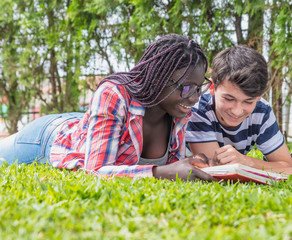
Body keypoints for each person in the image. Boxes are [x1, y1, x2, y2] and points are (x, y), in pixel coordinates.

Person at [0, 34, 217, 181]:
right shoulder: (114, 94)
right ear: (158, 79)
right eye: (187, 88)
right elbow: (95, 170)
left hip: (89, 122)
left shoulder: (178, 108)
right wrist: (162, 172)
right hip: (48, 137)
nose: (194, 97)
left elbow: (176, 167)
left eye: (199, 88)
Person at [186, 45, 292, 173]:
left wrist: (248, 162)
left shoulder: (262, 111)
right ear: (212, 87)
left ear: (259, 97)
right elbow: (215, 169)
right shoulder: (199, 110)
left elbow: (287, 166)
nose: (237, 111)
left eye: (248, 101)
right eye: (229, 99)